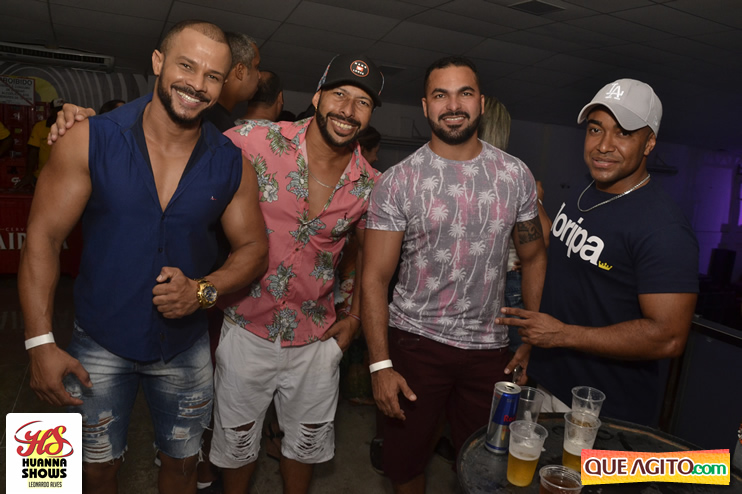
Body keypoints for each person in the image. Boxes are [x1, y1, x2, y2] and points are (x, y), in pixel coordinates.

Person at [18, 20, 268, 494]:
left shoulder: (232, 164)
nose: (197, 84)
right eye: (186, 66)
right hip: (97, 341)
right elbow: (42, 239)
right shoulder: (89, 138)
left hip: (184, 347)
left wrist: (204, 290)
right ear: (158, 61)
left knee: (183, 465)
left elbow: (255, 249)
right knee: (92, 468)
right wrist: (40, 343)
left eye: (212, 76)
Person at [361, 56, 547, 494]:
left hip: (491, 351)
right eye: (441, 95)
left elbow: (535, 256)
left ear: (480, 102)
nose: (453, 105)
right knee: (405, 464)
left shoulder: (515, 175)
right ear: (426, 106)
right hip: (416, 344)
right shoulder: (398, 181)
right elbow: (374, 278)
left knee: (487, 467)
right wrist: (380, 365)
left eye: (464, 93)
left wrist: (529, 339)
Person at [207, 53, 384, 494]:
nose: (348, 110)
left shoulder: (369, 184)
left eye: (362, 102)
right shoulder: (255, 140)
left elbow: (370, 257)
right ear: (318, 97)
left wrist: (355, 319)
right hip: (247, 327)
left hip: (316, 339)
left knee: (303, 449)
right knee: (237, 446)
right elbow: (180, 144)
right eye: (339, 95)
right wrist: (90, 123)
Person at [497, 79, 699, 426]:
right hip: (549, 380)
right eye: (595, 129)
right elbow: (562, 259)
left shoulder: (663, 227)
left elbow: (669, 337)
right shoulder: (586, 189)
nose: (603, 146)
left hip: (604, 411)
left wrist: (562, 334)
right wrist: (536, 345)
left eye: (623, 133)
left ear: (649, 142)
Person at [478, 96, 552, 351]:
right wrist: (537, 198)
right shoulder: (512, 174)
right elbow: (545, 235)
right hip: (507, 279)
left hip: (480, 279)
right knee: (508, 361)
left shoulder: (466, 173)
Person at [202, 32, 261, 132]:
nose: (259, 75)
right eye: (256, 67)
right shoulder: (211, 125)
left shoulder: (204, 114)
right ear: (240, 71)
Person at [14, 98, 65, 189]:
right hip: (43, 175)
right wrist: (28, 175)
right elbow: (33, 152)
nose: (61, 113)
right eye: (58, 110)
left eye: (63, 110)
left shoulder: (72, 126)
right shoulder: (40, 127)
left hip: (65, 176)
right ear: (51, 111)